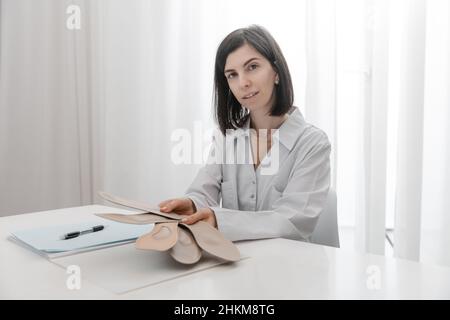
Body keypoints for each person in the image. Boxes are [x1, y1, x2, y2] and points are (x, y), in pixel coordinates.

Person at [159, 25, 331, 242]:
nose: (243, 83)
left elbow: (291, 221)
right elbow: (205, 190)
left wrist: (220, 220)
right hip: (233, 262)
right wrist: (192, 204)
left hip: (287, 266)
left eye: (252, 67)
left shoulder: (312, 143)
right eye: (232, 75)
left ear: (276, 72)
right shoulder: (226, 137)